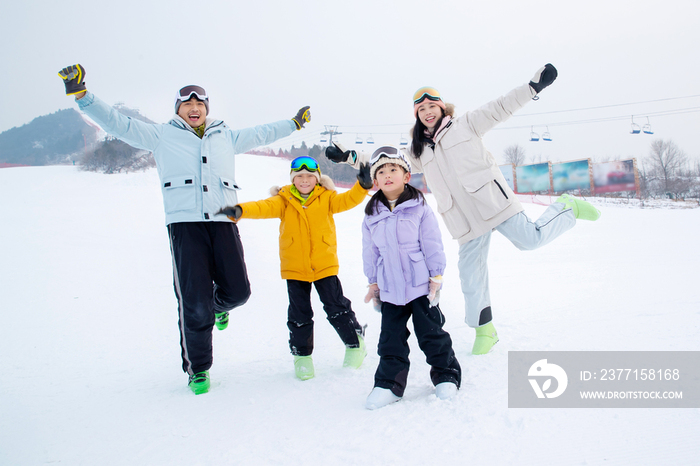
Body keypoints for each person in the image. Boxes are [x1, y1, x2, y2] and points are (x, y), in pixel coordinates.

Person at [58, 64, 311, 394]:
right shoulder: (161, 135)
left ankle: (218, 307)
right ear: (178, 110)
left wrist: (292, 123)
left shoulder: (226, 135)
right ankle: (198, 369)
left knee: (238, 292)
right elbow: (119, 124)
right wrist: (82, 96)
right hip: (184, 224)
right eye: (187, 105)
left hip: (222, 221)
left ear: (207, 109)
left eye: (200, 104)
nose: (194, 109)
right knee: (193, 300)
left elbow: (262, 133)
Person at [326, 64, 601, 356]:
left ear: (443, 108)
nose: (427, 112)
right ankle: (486, 330)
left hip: (494, 203)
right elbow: (386, 161)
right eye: (422, 110)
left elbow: (501, 107)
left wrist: (532, 88)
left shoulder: (467, 124)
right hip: (464, 221)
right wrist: (350, 157)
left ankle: (567, 207)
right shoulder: (418, 151)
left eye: (432, 106)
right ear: (417, 117)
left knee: (530, 240)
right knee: (470, 276)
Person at [219, 156, 373, 380]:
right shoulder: (283, 199)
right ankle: (301, 356)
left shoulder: (327, 198)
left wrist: (362, 185)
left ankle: (355, 344)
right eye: (299, 176)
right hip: (295, 267)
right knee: (299, 313)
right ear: (292, 179)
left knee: (336, 307)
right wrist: (241, 210)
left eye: (309, 176)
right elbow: (262, 207)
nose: (304, 180)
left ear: (317, 178)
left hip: (324, 264)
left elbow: (349, 200)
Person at [361, 146, 461, 410]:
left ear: (406, 176)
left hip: (420, 285)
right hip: (390, 288)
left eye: (393, 169)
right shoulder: (371, 215)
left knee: (431, 334)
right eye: (381, 171)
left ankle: (446, 375)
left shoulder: (420, 208)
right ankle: (388, 385)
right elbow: (370, 251)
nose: (387, 175)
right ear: (375, 181)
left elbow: (431, 243)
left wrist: (436, 275)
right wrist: (373, 281)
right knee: (390, 339)